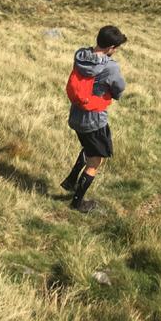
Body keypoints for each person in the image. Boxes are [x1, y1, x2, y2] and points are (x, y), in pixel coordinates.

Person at [60, 25, 128, 213]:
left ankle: (71, 181)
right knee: (95, 161)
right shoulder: (110, 66)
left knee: (88, 147)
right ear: (111, 48)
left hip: (76, 115)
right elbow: (119, 89)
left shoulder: (80, 55)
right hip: (94, 119)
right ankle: (77, 203)